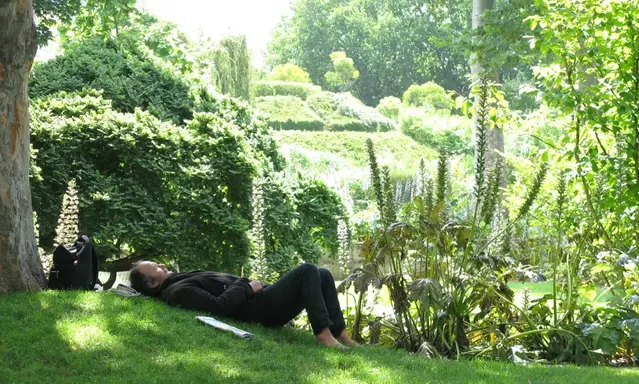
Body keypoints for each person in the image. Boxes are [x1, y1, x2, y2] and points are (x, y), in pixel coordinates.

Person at [129, 261, 357, 348]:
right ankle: (323, 335)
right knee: (307, 270)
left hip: (260, 297)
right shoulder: (178, 291)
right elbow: (218, 306)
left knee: (323, 274)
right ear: (152, 284)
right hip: (258, 309)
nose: (161, 264)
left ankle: (340, 333)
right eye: (156, 267)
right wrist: (247, 287)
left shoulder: (176, 280)